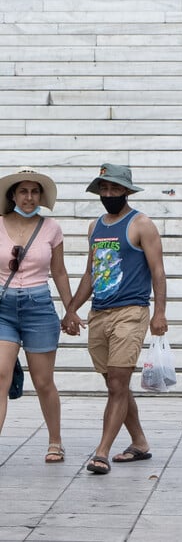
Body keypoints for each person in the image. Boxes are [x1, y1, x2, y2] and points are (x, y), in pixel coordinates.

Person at [63, 164, 168, 475]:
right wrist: (71, 309)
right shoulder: (96, 227)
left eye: (114, 189)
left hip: (130, 312)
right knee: (114, 384)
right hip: (99, 313)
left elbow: (158, 271)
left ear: (126, 190)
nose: (108, 194)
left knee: (117, 384)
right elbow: (90, 273)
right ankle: (139, 442)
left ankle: (102, 452)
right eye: (104, 189)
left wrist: (159, 312)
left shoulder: (141, 224)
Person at [0, 167, 74, 463]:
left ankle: (55, 441)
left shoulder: (51, 228)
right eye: (23, 191)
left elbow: (59, 271)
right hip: (3, 307)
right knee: (1, 375)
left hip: (38, 307)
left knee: (43, 381)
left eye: (34, 192)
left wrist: (70, 309)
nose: (28, 197)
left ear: (40, 196)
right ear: (13, 195)